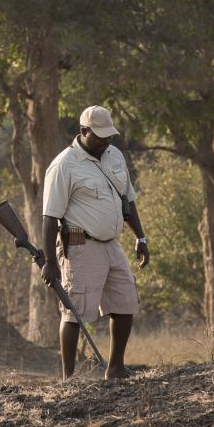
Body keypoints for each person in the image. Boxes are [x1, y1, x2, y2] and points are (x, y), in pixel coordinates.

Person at [40, 105, 151, 379]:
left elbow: (128, 200)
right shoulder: (64, 165)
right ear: (83, 131)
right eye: (99, 136)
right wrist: (50, 263)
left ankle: (115, 368)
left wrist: (141, 237)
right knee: (75, 310)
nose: (105, 141)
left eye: (108, 135)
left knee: (126, 302)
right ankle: (69, 378)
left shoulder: (114, 156)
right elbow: (49, 218)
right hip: (79, 243)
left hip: (112, 243)